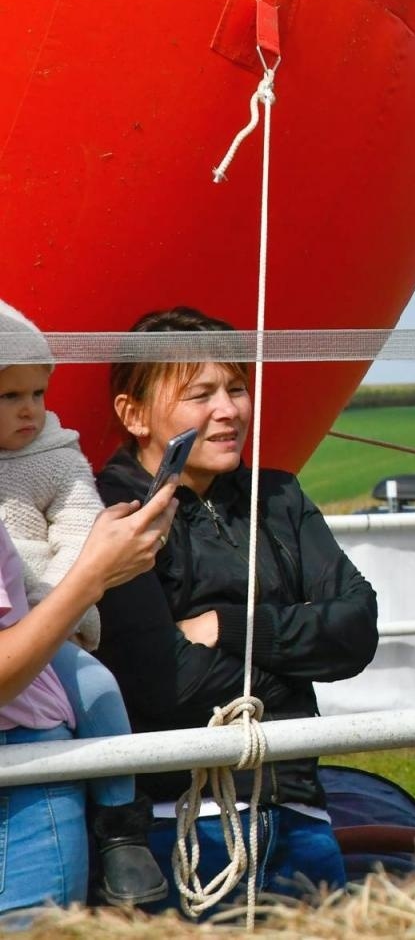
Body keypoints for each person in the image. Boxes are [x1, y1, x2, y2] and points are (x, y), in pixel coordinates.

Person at [94, 306, 380, 916]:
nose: (228, 410)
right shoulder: (109, 516)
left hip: (298, 812)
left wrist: (228, 628)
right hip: (176, 826)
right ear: (133, 414)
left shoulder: (278, 497)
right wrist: (297, 671)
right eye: (201, 394)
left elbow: (358, 628)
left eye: (238, 387)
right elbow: (165, 684)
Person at [0, 300, 168, 906]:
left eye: (38, 393)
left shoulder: (54, 455)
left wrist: (61, 605)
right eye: (7, 396)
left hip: (48, 620)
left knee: (97, 690)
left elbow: (78, 526)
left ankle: (122, 827)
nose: (28, 410)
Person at [0, 480, 175, 912]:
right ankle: (121, 829)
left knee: (96, 683)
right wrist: (94, 574)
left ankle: (122, 828)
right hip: (19, 767)